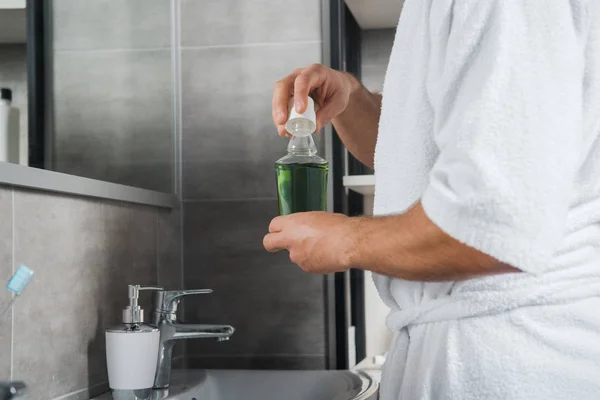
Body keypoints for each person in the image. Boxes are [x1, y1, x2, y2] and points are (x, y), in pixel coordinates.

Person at [263, 1, 600, 399]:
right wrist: (351, 96)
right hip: (476, 344)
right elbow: (413, 157)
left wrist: (347, 239)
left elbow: (494, 219)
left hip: (516, 354)